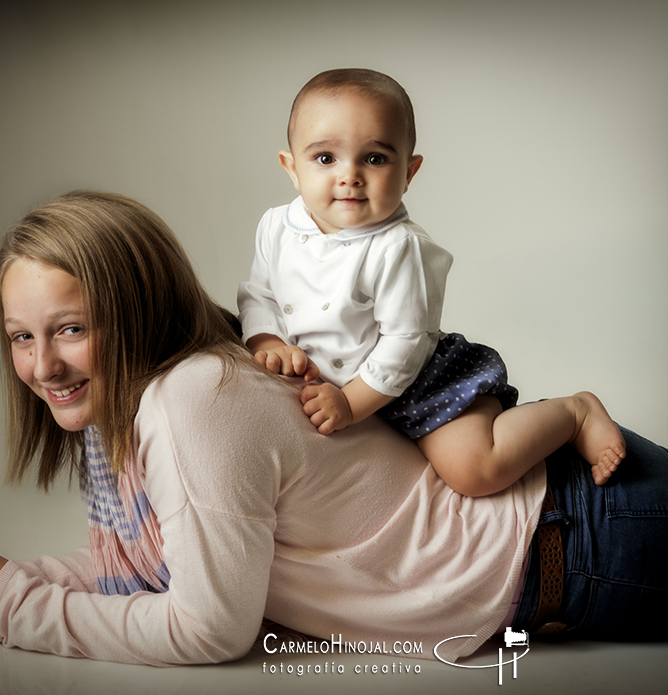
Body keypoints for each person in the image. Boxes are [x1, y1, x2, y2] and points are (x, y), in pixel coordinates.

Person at [0, 191, 668, 666]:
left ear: (134, 310)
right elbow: (187, 563)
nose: (43, 367)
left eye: (69, 329)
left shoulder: (192, 403)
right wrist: (7, 579)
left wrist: (6, 610)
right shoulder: (158, 406)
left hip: (585, 539)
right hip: (581, 513)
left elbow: (204, 625)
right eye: (21, 337)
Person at [238, 69, 625, 497]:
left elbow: (404, 342)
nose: (350, 175)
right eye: (326, 158)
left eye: (375, 158)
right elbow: (260, 291)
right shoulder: (277, 226)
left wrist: (350, 404)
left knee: (474, 471)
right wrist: (266, 341)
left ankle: (574, 413)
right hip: (343, 385)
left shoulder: (400, 247)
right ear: (291, 167)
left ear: (409, 172)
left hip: (419, 382)